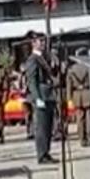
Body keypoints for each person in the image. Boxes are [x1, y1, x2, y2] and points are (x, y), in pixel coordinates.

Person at [24, 31, 58, 164]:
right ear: (33, 43)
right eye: (40, 41)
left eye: (44, 41)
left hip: (49, 94)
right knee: (42, 128)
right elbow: (32, 80)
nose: (43, 43)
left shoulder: (44, 57)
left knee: (48, 126)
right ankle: (42, 154)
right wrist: (37, 97)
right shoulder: (33, 59)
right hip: (42, 95)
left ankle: (46, 151)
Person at [66, 54, 90, 146]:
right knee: (89, 116)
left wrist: (69, 97)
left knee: (79, 118)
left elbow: (69, 85)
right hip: (87, 93)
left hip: (77, 94)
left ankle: (82, 138)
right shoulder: (89, 68)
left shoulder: (71, 69)